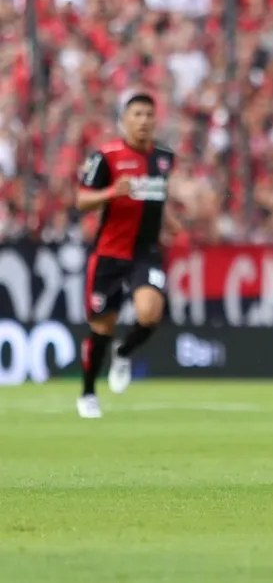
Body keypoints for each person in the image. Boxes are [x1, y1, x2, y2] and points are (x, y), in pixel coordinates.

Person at [75, 91, 180, 418]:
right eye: (137, 115)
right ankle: (89, 392)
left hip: (145, 253)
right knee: (102, 327)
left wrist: (171, 221)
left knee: (150, 312)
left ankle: (125, 350)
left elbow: (156, 197)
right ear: (124, 120)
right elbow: (81, 200)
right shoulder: (106, 157)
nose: (144, 121)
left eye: (149, 115)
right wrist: (111, 192)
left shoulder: (164, 157)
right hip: (109, 253)